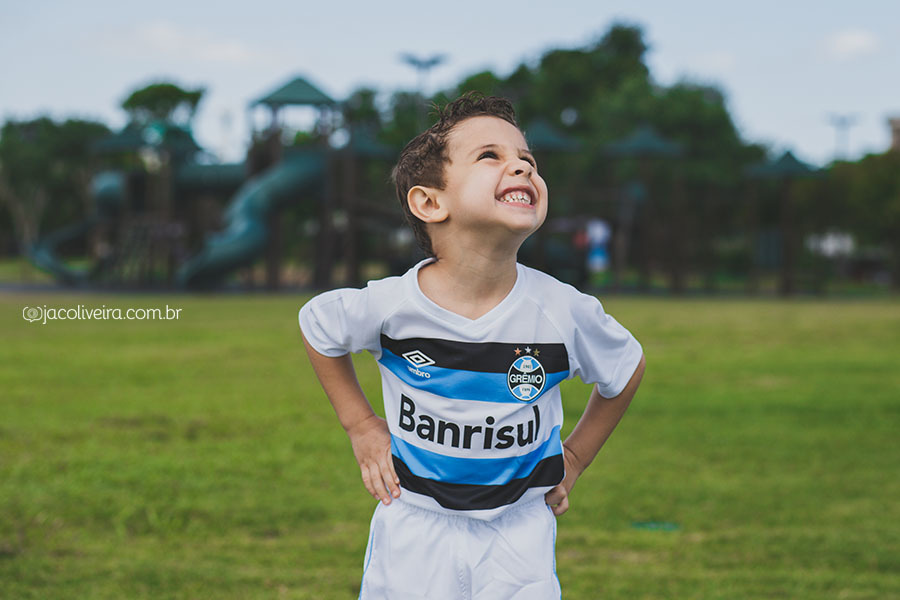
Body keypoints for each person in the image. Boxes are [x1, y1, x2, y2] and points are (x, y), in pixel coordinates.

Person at [299, 93, 645, 599]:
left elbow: (626, 368)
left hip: (519, 533)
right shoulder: (393, 304)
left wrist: (574, 456)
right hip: (414, 528)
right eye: (492, 156)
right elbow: (318, 328)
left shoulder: (562, 310)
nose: (522, 168)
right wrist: (360, 424)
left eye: (528, 160)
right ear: (430, 202)